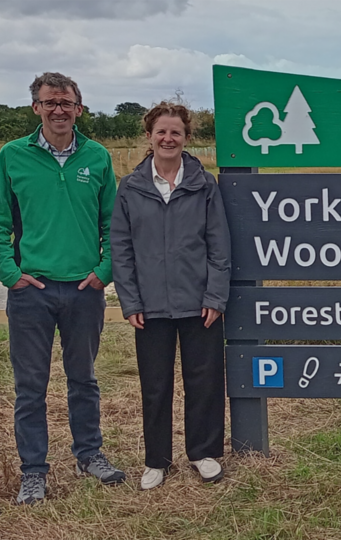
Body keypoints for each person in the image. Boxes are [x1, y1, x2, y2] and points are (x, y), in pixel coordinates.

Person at [0, 72, 124, 505]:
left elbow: (113, 224)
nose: (59, 110)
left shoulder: (97, 157)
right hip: (32, 292)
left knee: (84, 378)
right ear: (36, 108)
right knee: (31, 387)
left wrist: (105, 270)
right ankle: (33, 472)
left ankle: (90, 455)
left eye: (67, 102)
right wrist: (10, 273)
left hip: (84, 289)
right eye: (50, 102)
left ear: (80, 108)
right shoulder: (12, 156)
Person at [111, 102, 231, 490]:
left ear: (186, 138)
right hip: (150, 306)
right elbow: (121, 248)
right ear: (149, 136)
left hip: (200, 304)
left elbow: (219, 246)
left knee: (205, 380)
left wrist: (215, 296)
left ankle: (204, 453)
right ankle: (156, 460)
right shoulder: (130, 188)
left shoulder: (204, 184)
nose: (168, 138)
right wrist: (130, 300)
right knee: (156, 384)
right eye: (161, 131)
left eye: (175, 132)